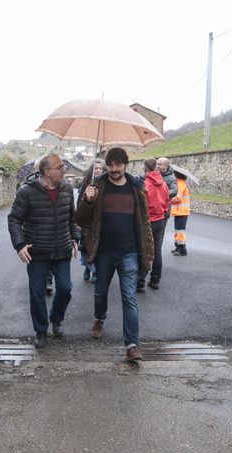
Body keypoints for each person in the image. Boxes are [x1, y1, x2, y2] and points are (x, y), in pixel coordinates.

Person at [76, 147, 154, 362]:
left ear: (125, 165)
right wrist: (88, 200)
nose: (113, 169)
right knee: (100, 293)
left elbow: (145, 222)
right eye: (110, 165)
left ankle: (132, 344)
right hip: (104, 252)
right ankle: (99, 318)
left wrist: (149, 251)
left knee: (129, 297)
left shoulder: (136, 187)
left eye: (117, 164)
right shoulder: (97, 185)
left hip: (129, 252)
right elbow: (80, 219)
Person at [8, 153, 78, 349]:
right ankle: (40, 330)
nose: (64, 170)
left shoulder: (66, 188)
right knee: (37, 293)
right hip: (37, 252)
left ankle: (56, 318)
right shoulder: (26, 192)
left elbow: (71, 217)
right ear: (47, 172)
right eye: (60, 167)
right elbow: (14, 219)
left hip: (62, 250)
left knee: (65, 289)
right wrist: (20, 245)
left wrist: (75, 237)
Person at [137, 158, 169, 291]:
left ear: (145, 168)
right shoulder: (164, 184)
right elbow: (167, 203)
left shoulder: (145, 185)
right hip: (160, 220)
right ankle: (155, 280)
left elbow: (141, 206)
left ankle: (140, 282)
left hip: (148, 221)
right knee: (157, 250)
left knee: (144, 250)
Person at [77, 158, 105, 283]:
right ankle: (88, 268)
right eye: (96, 168)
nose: (98, 170)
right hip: (88, 222)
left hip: (101, 222)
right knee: (87, 247)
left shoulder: (106, 184)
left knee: (98, 248)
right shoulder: (86, 184)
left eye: (100, 168)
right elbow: (79, 203)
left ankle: (95, 271)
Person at [171, 170, 191, 256]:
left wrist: (169, 199)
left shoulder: (180, 184)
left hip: (181, 211)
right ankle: (178, 246)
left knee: (180, 231)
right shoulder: (181, 183)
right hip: (180, 211)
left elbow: (178, 198)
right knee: (178, 230)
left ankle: (182, 249)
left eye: (174, 174)